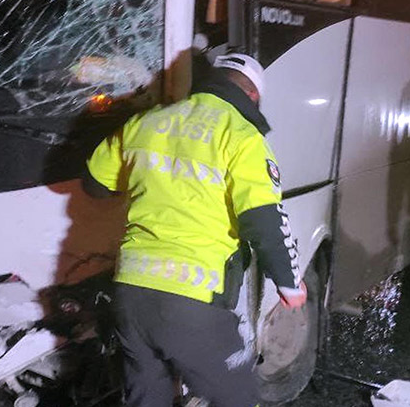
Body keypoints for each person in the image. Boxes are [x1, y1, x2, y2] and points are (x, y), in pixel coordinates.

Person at [84, 53, 305, 407]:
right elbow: (264, 217)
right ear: (253, 97)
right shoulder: (242, 137)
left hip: (131, 295)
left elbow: (95, 183)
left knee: (146, 397)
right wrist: (290, 283)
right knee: (237, 397)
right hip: (192, 302)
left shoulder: (146, 122)